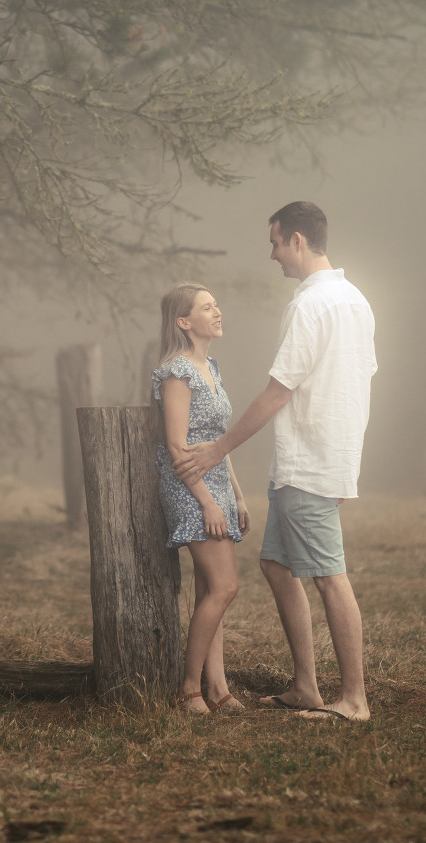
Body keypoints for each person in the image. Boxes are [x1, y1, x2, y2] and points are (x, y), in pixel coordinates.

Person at [174, 201, 377, 722]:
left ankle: (354, 699)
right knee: (276, 565)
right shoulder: (355, 300)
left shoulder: (309, 304)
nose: (272, 255)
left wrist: (219, 448)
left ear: (297, 242)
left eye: (275, 243)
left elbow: (278, 391)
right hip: (325, 455)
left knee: (329, 575)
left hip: (310, 459)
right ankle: (306, 686)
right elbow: (359, 381)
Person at [151, 283, 250, 715]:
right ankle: (189, 688)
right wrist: (207, 502)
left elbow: (217, 441)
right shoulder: (177, 372)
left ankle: (218, 687)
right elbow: (178, 447)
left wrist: (237, 497)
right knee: (225, 587)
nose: (217, 311)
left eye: (216, 305)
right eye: (207, 307)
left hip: (219, 485)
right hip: (190, 488)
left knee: (212, 588)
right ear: (184, 321)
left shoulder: (209, 366)